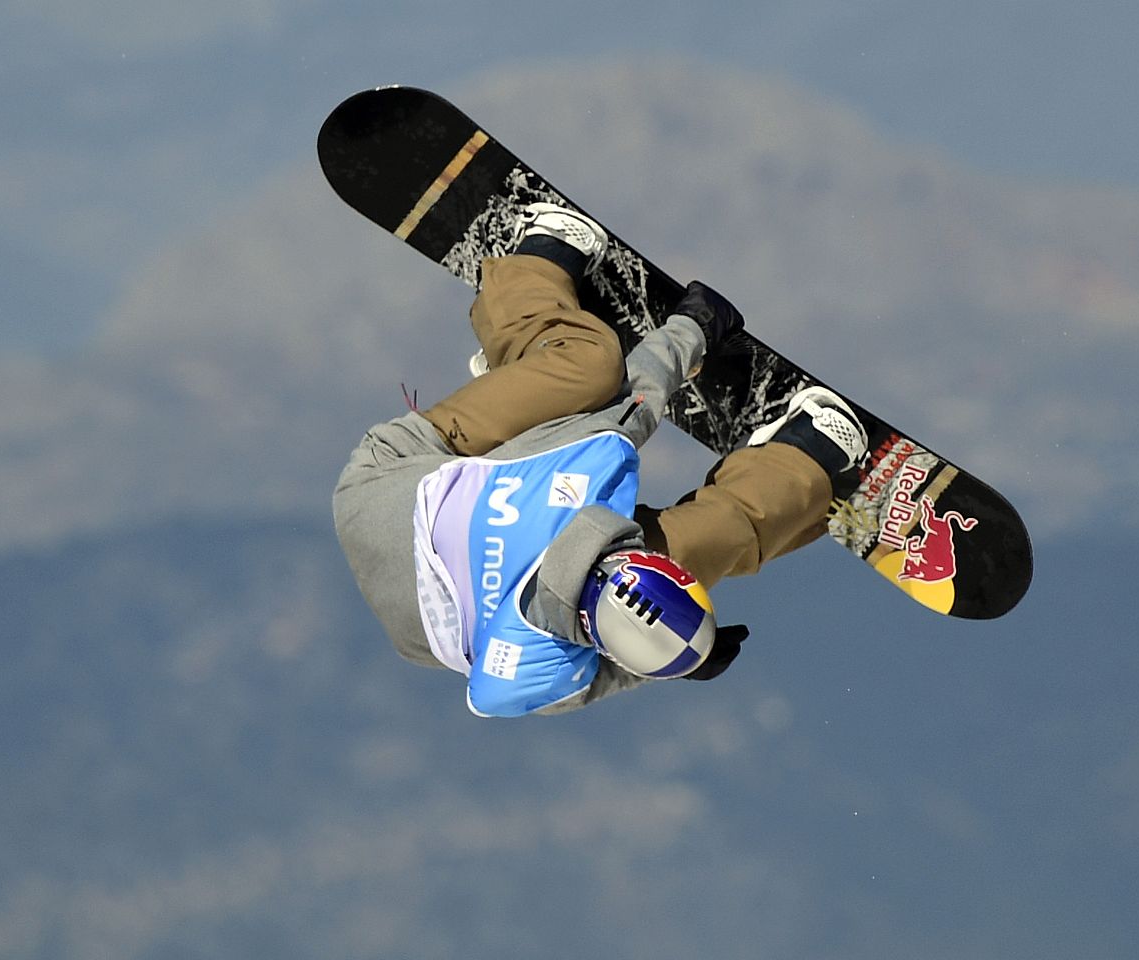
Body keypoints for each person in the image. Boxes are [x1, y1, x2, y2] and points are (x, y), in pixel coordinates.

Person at [332, 203, 867, 717]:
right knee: (705, 542)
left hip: (385, 487)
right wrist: (672, 655)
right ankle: (803, 460)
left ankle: (537, 262)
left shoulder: (575, 480)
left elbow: (635, 402)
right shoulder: (523, 672)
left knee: (592, 370)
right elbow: (579, 678)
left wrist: (695, 327)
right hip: (435, 619)